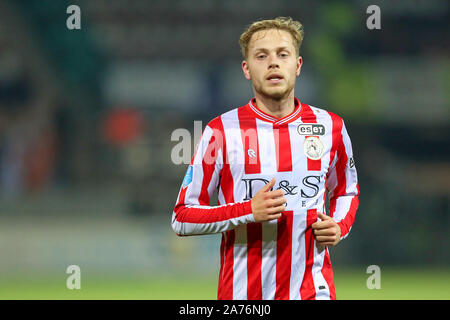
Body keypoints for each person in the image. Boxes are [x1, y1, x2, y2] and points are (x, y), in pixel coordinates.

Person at [171, 17, 359, 300]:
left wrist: (339, 226)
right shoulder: (220, 131)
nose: (273, 63)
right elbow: (182, 217)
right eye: (262, 56)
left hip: (313, 291)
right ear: (247, 69)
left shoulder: (330, 127)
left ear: (297, 65)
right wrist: (248, 210)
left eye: (283, 54)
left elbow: (347, 189)